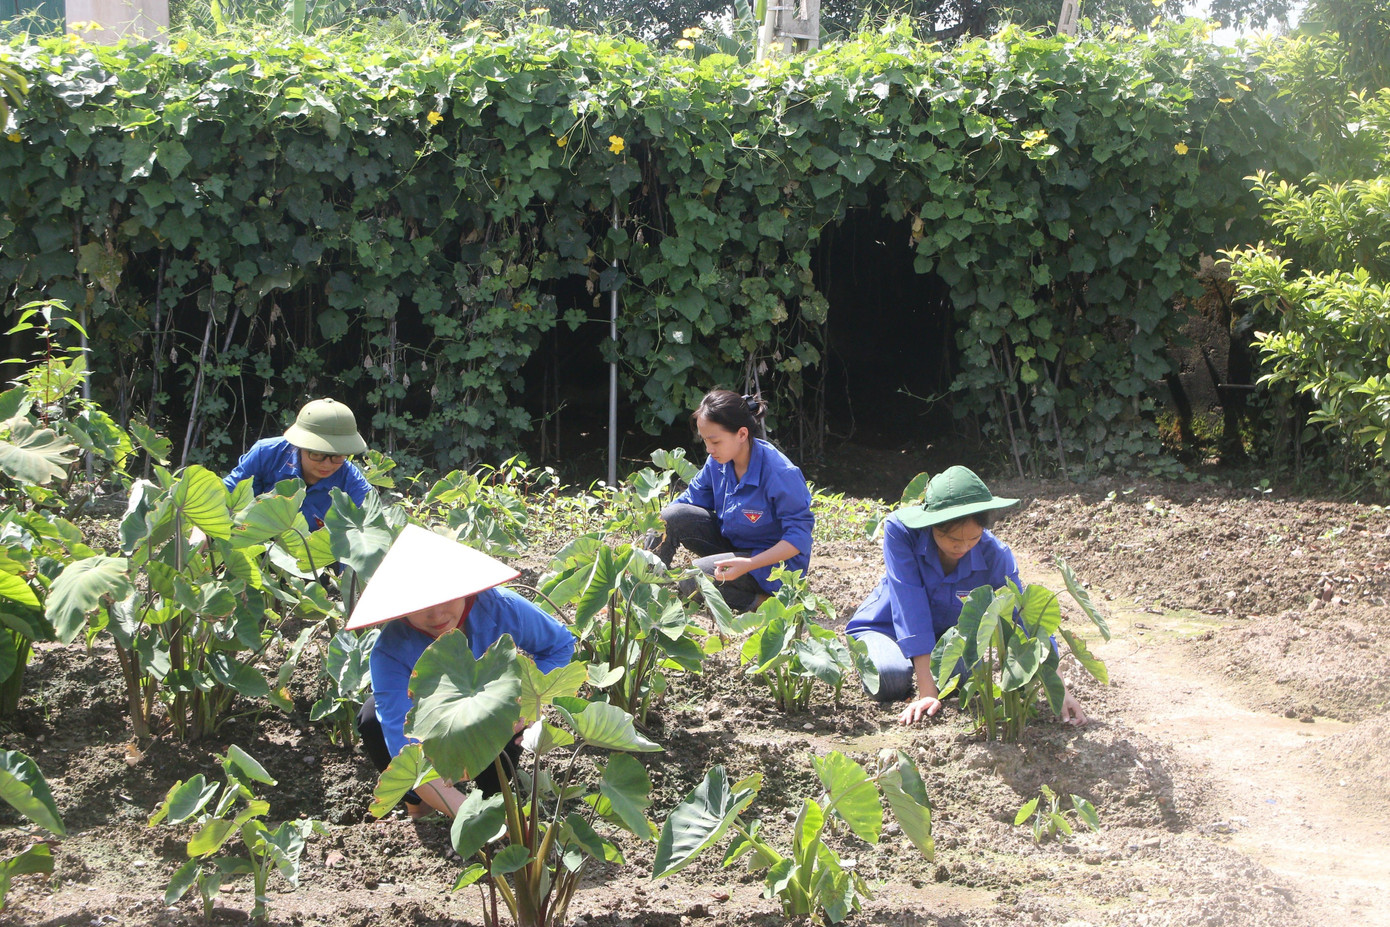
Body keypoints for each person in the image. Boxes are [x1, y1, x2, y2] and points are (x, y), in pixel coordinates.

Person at [349, 524, 575, 819]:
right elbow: (405, 751)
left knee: (506, 707)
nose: (438, 615)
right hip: (434, 733)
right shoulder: (390, 650)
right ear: (401, 608)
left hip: (489, 717)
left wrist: (529, 704)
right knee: (370, 719)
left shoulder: (497, 607)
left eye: (447, 598)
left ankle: (493, 791)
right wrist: (470, 818)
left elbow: (559, 645)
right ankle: (419, 807)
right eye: (421, 606)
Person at [845, 466, 1088, 727]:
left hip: (945, 641)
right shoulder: (902, 533)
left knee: (958, 680)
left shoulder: (995, 554)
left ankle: (920, 668)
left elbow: (1026, 615)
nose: (961, 547)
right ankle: (885, 658)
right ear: (931, 526)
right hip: (885, 628)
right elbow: (909, 605)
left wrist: (1058, 687)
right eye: (950, 538)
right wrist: (927, 693)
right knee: (891, 679)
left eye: (972, 538)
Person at [646, 389, 814, 612]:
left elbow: (799, 539)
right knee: (669, 517)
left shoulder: (781, 473)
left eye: (715, 441)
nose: (708, 449)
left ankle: (763, 602)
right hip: (734, 545)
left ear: (742, 434)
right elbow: (685, 504)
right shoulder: (717, 461)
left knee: (693, 579)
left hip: (772, 565)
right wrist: (644, 548)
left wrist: (750, 564)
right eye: (705, 440)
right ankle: (644, 587)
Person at [223, 398, 372, 529]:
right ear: (300, 446)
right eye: (317, 454)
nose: (327, 464)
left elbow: (373, 525)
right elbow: (223, 498)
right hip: (256, 543)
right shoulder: (266, 454)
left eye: (337, 457)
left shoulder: (352, 481)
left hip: (314, 556)